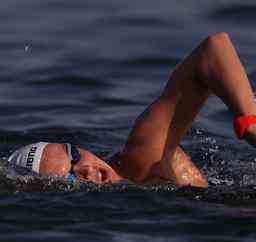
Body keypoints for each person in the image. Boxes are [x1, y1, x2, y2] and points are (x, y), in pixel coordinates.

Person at [7, 32, 256, 188]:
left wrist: (249, 124)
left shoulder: (140, 158)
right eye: (70, 178)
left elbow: (213, 49)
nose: (89, 170)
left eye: (73, 156)